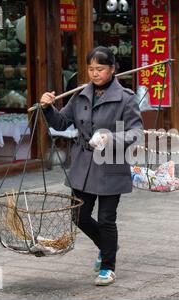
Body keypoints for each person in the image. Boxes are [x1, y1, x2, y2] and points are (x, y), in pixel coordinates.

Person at [39, 47, 143, 286]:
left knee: (107, 219)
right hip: (83, 163)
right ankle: (108, 246)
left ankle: (108, 266)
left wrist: (110, 138)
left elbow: (136, 133)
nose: (95, 74)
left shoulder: (125, 98)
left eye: (100, 69)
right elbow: (62, 122)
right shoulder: (80, 95)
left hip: (110, 162)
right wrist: (47, 107)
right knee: (79, 215)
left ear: (112, 69)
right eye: (91, 69)